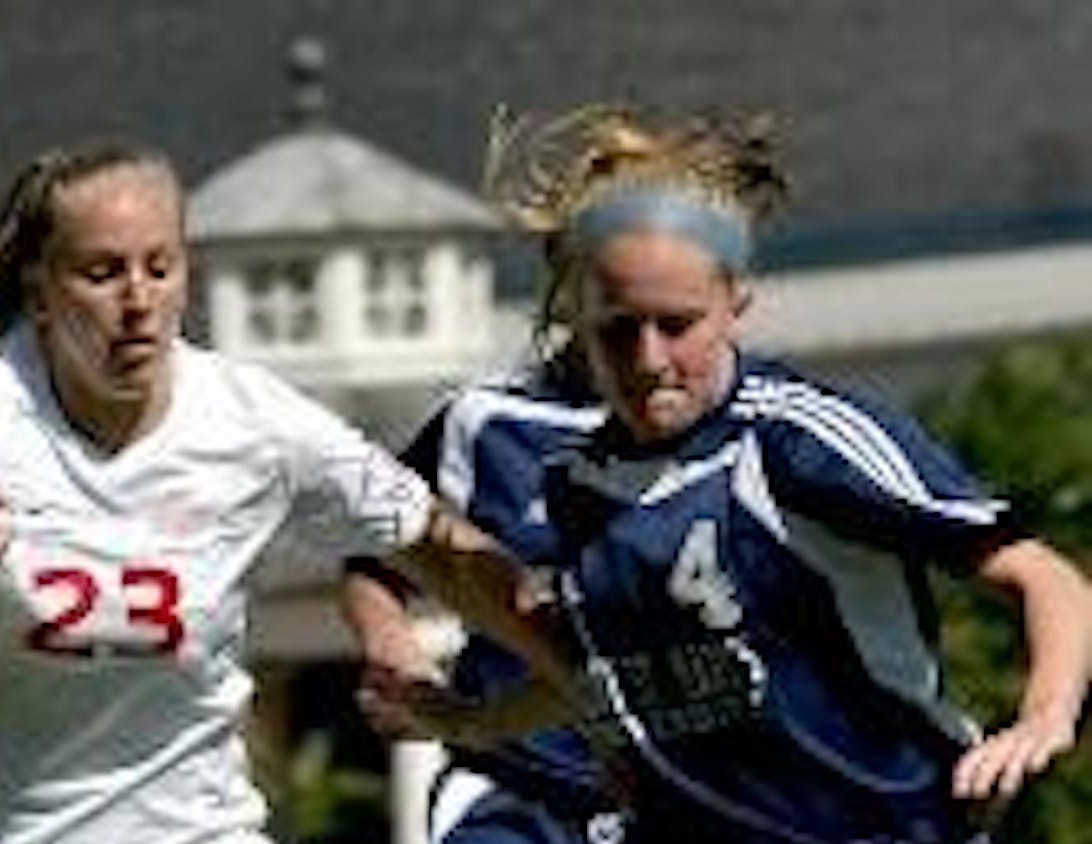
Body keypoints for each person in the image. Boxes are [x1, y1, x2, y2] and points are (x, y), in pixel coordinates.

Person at [0, 141, 575, 844]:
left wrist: (592, 678)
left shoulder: (255, 420)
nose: (138, 300)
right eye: (103, 273)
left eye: (159, 268)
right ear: (40, 291)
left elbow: (443, 550)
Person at [368, 105, 1092, 844]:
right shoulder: (577, 485)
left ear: (734, 302)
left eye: (677, 325)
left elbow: (1043, 575)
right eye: (618, 329)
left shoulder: (799, 440)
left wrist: (1045, 717)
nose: (649, 360)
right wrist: (476, 722)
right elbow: (605, 677)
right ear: (576, 318)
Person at [341, 341, 628, 844]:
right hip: (512, 789)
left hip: (687, 790)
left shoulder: (753, 430)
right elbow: (375, 555)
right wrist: (395, 652)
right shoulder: (481, 420)